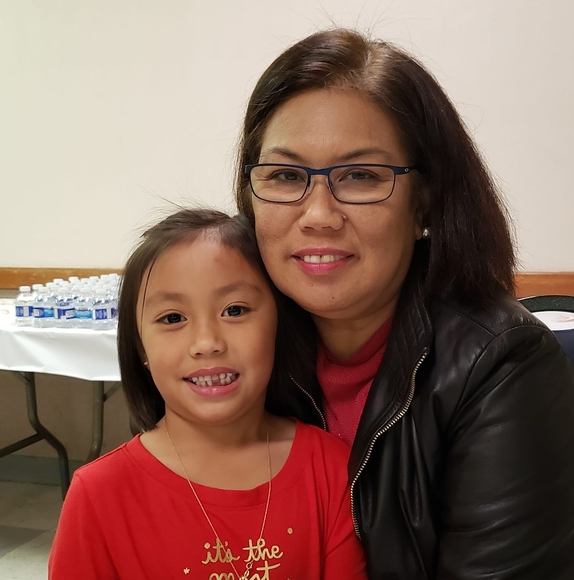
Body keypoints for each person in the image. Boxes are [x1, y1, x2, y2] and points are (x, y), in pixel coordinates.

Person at [234, 28, 574, 579]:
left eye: (361, 176)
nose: (318, 214)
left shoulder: (503, 365)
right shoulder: (238, 341)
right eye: (287, 175)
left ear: (424, 205)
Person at [48, 208, 366, 580]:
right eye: (172, 318)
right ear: (139, 348)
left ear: (278, 324)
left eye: (234, 310)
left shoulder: (331, 467)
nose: (207, 343)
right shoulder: (99, 495)